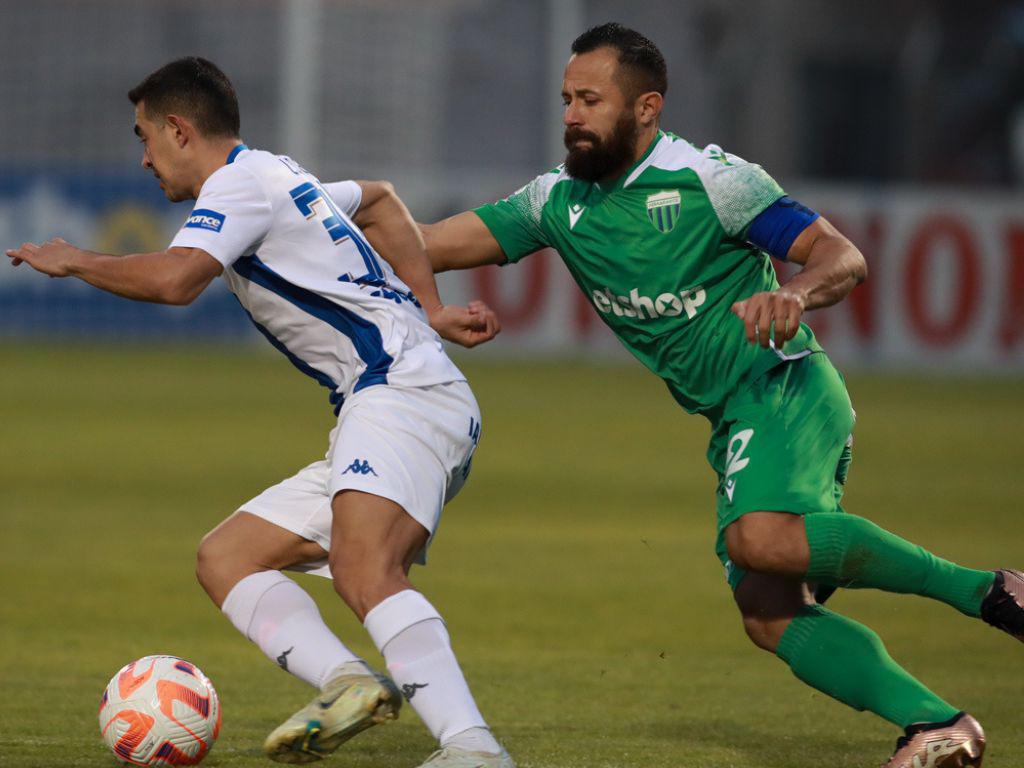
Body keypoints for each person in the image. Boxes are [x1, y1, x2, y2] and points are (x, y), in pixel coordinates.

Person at [419, 22, 1024, 767]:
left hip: (785, 386)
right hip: (732, 415)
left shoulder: (711, 180)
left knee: (758, 538)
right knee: (768, 614)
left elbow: (844, 256)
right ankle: (938, 725)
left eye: (591, 100)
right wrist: (317, 216)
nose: (572, 114)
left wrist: (796, 293)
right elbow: (427, 243)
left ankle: (989, 591)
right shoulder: (556, 202)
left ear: (647, 109)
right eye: (567, 99)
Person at [6, 57, 514, 768]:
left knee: (364, 570)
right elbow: (380, 201)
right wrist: (428, 306)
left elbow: (179, 280)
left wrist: (78, 260)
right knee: (228, 557)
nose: (144, 158)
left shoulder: (238, 185)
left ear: (180, 130)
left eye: (145, 137)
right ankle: (346, 684)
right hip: (395, 401)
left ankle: (473, 749)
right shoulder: (278, 174)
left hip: (400, 393)